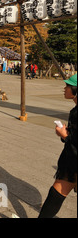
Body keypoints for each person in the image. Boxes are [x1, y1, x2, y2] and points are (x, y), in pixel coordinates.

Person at [38, 74, 77, 218]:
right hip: (71, 163)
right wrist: (66, 134)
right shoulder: (75, 110)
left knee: (55, 195)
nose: (64, 88)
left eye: (68, 86)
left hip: (73, 162)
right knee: (55, 194)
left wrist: (65, 135)